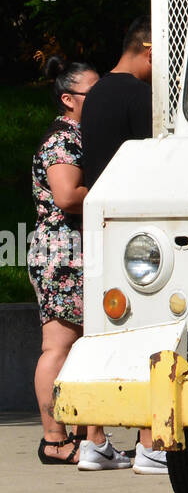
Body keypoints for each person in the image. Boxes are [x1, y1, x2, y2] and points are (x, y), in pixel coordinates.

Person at [28, 58, 131, 469]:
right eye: (94, 92)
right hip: (63, 253)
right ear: (69, 99)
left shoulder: (82, 135)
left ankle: (91, 439)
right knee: (58, 346)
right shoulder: (62, 139)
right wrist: (115, 188)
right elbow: (68, 196)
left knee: (84, 345)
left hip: (78, 251)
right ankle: (55, 440)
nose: (102, 99)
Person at [79, 16, 168, 474]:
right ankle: (152, 444)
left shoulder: (94, 94)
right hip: (139, 231)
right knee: (149, 329)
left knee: (101, 331)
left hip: (98, 221)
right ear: (149, 51)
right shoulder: (141, 96)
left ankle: (93, 441)